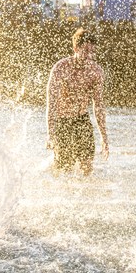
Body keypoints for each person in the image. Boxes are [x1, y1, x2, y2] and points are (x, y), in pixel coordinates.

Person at [46, 28, 109, 175]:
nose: (90, 56)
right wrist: (50, 132)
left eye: (93, 51)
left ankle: (86, 197)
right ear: (75, 48)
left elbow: (98, 106)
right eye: (86, 51)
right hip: (62, 121)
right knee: (63, 169)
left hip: (82, 120)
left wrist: (104, 137)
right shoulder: (60, 68)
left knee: (87, 167)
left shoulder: (96, 72)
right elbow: (52, 102)